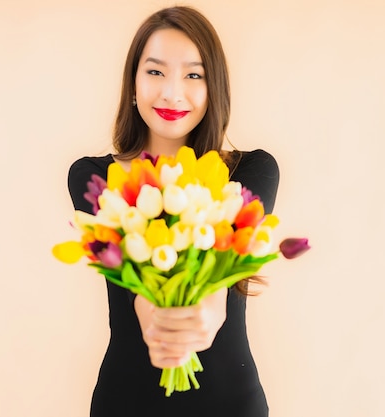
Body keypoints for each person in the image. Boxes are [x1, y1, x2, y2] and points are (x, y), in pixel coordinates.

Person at [66, 6, 279, 417]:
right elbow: (135, 283)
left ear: (214, 88)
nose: (171, 92)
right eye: (156, 72)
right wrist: (157, 317)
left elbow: (223, 264)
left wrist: (208, 310)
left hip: (231, 405)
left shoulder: (250, 171)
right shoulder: (95, 178)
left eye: (194, 75)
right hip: (125, 403)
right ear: (132, 83)